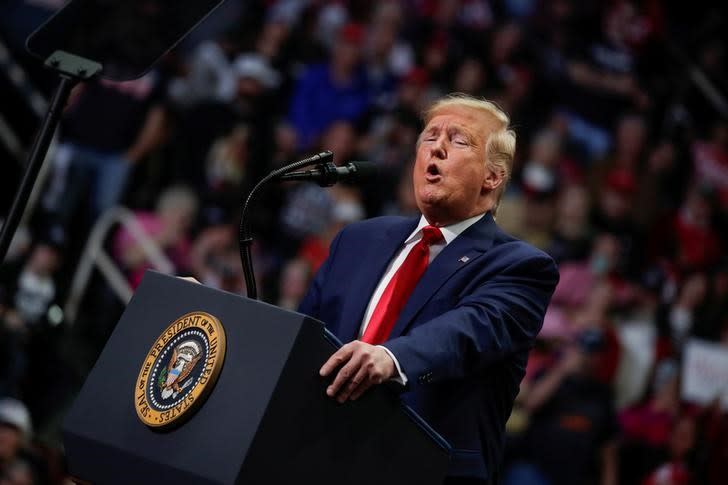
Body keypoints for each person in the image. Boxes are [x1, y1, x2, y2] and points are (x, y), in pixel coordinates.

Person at [299, 93, 559, 483]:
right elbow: (303, 336)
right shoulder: (358, 240)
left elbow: (467, 331)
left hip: (422, 471)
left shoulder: (520, 266)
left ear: (492, 176)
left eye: (458, 140)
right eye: (429, 137)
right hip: (319, 458)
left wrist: (391, 358)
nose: (436, 147)